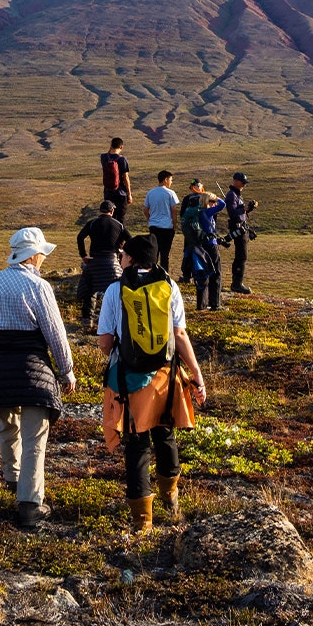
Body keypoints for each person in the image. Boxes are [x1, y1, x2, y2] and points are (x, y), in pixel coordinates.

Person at [97, 235, 207, 533]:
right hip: (165, 378)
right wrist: (196, 374)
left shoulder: (115, 289)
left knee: (136, 446)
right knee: (165, 435)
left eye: (123, 255)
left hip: (129, 380)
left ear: (131, 258)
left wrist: (116, 353)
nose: (120, 259)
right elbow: (180, 335)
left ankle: (141, 522)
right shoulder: (169, 286)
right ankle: (171, 499)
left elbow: (105, 341)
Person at [0, 227, 78, 529]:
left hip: (0, 369)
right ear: (32, 255)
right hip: (34, 369)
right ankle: (30, 505)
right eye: (42, 252)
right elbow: (55, 334)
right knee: (34, 436)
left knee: (8, 426)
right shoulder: (39, 286)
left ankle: (12, 480)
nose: (44, 257)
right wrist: (66, 370)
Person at [76, 200, 128, 329]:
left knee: (90, 290)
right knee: (116, 292)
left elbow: (80, 237)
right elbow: (131, 240)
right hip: (112, 263)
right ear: (112, 211)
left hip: (94, 261)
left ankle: (88, 319)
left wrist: (83, 255)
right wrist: (122, 253)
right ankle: (116, 319)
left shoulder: (93, 223)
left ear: (100, 211)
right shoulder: (118, 225)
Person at [192, 192, 227, 311]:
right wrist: (216, 197)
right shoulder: (207, 212)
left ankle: (202, 304)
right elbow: (223, 204)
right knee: (216, 273)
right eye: (212, 202)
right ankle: (215, 304)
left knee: (205, 273)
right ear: (208, 202)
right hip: (211, 246)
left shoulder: (199, 213)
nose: (215, 204)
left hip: (202, 246)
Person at [224, 172, 257, 294]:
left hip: (242, 227)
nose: (244, 185)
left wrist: (249, 208)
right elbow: (233, 213)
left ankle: (237, 283)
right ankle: (237, 284)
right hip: (238, 229)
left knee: (241, 256)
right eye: (243, 183)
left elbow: (240, 212)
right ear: (236, 181)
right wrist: (245, 208)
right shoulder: (232, 195)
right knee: (241, 256)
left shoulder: (237, 194)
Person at [142, 170, 180, 273]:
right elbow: (174, 210)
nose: (171, 182)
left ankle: (152, 272)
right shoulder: (170, 193)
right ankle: (164, 273)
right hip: (167, 226)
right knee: (165, 254)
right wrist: (174, 225)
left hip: (154, 226)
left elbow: (145, 209)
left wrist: (150, 218)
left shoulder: (151, 192)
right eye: (171, 180)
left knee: (154, 251)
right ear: (166, 179)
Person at [177, 178, 205, 283]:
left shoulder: (190, 198)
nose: (197, 187)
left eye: (198, 185)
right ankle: (188, 275)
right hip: (194, 230)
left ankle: (193, 274)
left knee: (194, 251)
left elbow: (182, 214)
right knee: (190, 251)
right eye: (195, 186)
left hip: (194, 230)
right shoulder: (202, 198)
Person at [100, 137, 132, 223]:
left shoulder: (103, 157)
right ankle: (120, 235)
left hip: (108, 191)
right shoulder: (122, 159)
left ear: (111, 146)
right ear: (121, 147)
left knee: (110, 217)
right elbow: (126, 177)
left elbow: (108, 154)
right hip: (120, 193)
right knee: (120, 218)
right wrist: (129, 194)